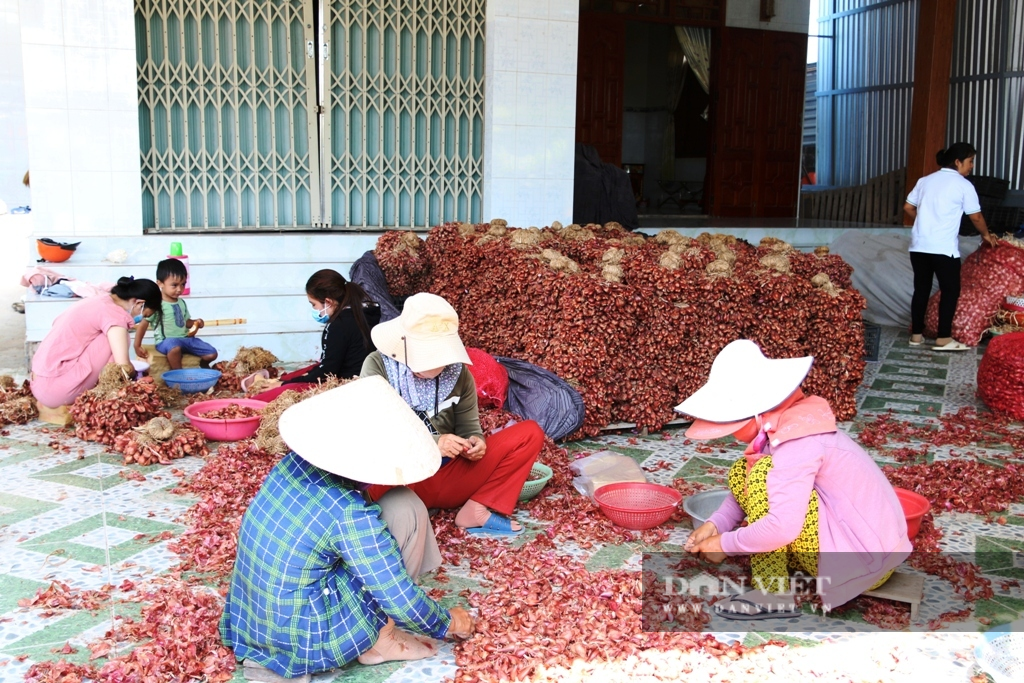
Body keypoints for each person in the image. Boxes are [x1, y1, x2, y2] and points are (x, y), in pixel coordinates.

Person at [221, 376, 475, 681]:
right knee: (394, 546)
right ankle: (381, 637)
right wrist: (448, 623)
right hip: (304, 637)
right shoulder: (348, 512)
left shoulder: (291, 465)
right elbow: (397, 596)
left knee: (403, 505)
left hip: (252, 620)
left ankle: (378, 632)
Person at [677, 340, 912, 619]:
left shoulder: (797, 443)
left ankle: (771, 594)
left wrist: (723, 545)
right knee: (746, 470)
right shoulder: (786, 426)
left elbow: (781, 528)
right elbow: (748, 488)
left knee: (763, 475)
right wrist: (716, 525)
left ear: (756, 413)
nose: (730, 434)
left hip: (866, 561)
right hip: (858, 545)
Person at [361, 293, 544, 536]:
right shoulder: (378, 366)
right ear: (404, 344)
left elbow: (469, 426)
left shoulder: (458, 375)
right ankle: (406, 509)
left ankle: (476, 509)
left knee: (529, 433)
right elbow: (375, 429)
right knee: (378, 468)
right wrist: (435, 443)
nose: (436, 365)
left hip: (447, 474)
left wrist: (475, 443)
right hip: (401, 479)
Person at [904, 142, 999, 351]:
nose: (972, 166)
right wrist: (986, 234)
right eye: (970, 161)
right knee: (950, 291)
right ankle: (943, 338)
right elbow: (976, 216)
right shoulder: (963, 185)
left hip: (919, 247)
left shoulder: (925, 180)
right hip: (943, 249)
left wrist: (925, 220)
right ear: (957, 162)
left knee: (921, 289)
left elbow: (908, 207)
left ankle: (916, 336)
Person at [30, 276, 161, 419]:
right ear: (139, 303)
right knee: (118, 338)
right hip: (57, 392)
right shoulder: (115, 317)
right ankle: (106, 394)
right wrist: (138, 381)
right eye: (144, 314)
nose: (140, 319)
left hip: (38, 382)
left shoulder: (100, 300)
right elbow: (123, 366)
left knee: (113, 335)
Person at [248, 269, 381, 402]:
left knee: (260, 399)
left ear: (328, 302)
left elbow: (327, 373)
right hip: (364, 379)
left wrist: (284, 385)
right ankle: (278, 380)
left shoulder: (338, 325)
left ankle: (275, 384)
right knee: (311, 369)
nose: (315, 310)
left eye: (314, 304)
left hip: (345, 386)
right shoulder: (365, 314)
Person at [133, 258, 218, 369]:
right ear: (160, 283)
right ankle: (177, 374)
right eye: (174, 285)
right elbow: (143, 325)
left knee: (212, 353)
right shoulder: (156, 304)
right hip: (166, 341)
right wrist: (137, 345)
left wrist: (196, 322)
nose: (179, 289)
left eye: (182, 284)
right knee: (175, 348)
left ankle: (203, 365)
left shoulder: (181, 303)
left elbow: (185, 322)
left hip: (186, 339)